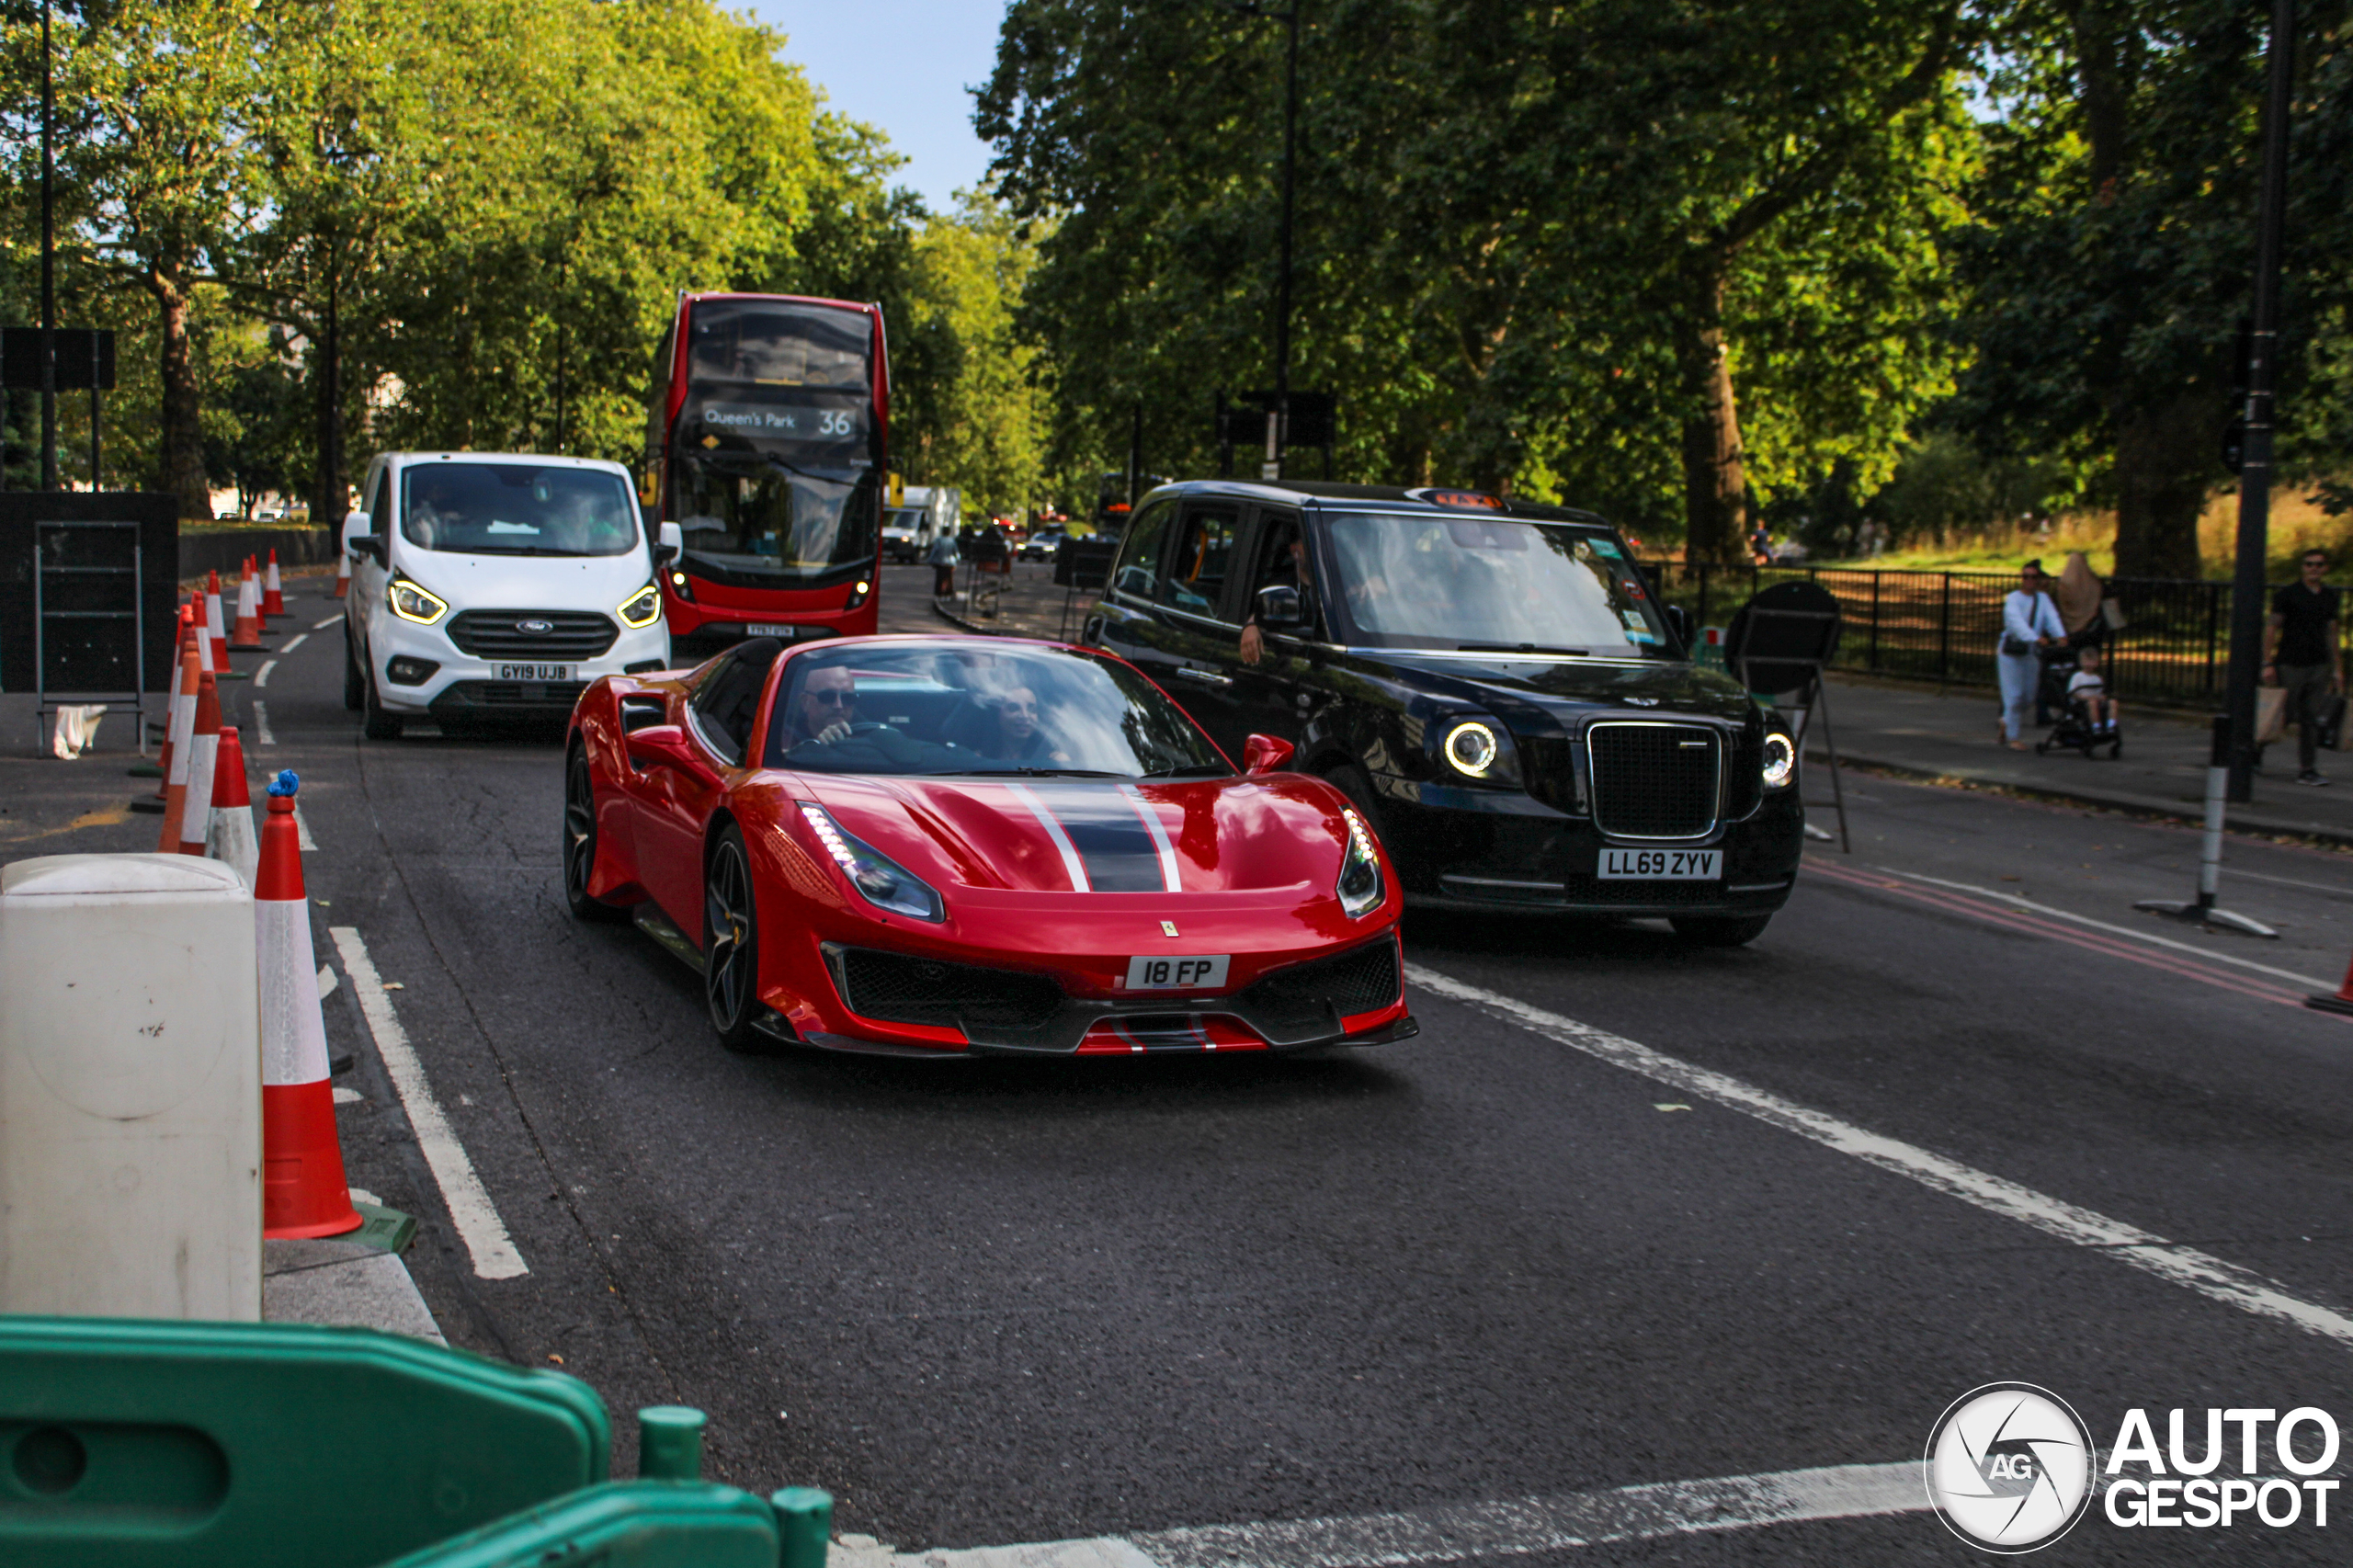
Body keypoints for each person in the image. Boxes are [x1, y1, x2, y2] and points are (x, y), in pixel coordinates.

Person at [2263, 549, 2343, 786]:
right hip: (2291, 661)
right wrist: (2268, 661)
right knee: (2285, 713)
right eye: (2310, 564)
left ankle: (2307, 768)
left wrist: (2337, 668)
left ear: (2325, 568)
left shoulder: (2329, 596)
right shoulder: (2288, 594)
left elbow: (2332, 632)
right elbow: (2272, 627)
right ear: (2303, 567)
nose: (2314, 569)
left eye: (2319, 565)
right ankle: (2255, 748)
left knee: (2310, 717)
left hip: (2318, 663)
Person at [1997, 560, 2065, 750]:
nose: (2029, 580)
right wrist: (2034, 637)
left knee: (2029, 697)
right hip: (2011, 652)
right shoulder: (2013, 599)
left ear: (2038, 580)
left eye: (2033, 577)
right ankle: (2013, 737)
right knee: (2014, 695)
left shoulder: (2042, 599)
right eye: (2025, 576)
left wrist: (2060, 635)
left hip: (2031, 653)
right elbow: (2015, 623)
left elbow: (2052, 618)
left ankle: (2006, 721)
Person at [1240, 524, 1310, 666]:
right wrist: (1252, 625)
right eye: (1310, 543)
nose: (1319, 549)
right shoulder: (1283, 585)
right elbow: (1265, 608)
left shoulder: (1342, 584)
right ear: (1294, 551)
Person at [785, 664, 858, 747]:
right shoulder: (786, 743)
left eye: (848, 698)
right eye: (827, 697)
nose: (838, 705)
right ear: (805, 702)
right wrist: (815, 750)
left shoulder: (868, 739)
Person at [2067, 645, 2116, 733]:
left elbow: (2099, 692)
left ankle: (2111, 724)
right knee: (2092, 703)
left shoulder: (2097, 678)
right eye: (2086, 661)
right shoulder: (2077, 676)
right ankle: (2096, 726)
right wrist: (2086, 698)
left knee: (2113, 702)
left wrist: (2101, 697)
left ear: (2097, 663)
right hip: (2081, 702)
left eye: (2091, 661)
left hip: (2094, 699)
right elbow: (2072, 692)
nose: (2088, 664)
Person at [926, 528, 960, 597]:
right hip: (950, 563)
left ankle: (939, 593)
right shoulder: (952, 541)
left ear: (942, 532)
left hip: (940, 562)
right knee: (949, 578)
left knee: (939, 578)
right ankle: (948, 592)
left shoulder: (939, 540)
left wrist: (930, 560)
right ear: (949, 532)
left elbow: (934, 551)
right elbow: (956, 552)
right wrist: (958, 560)